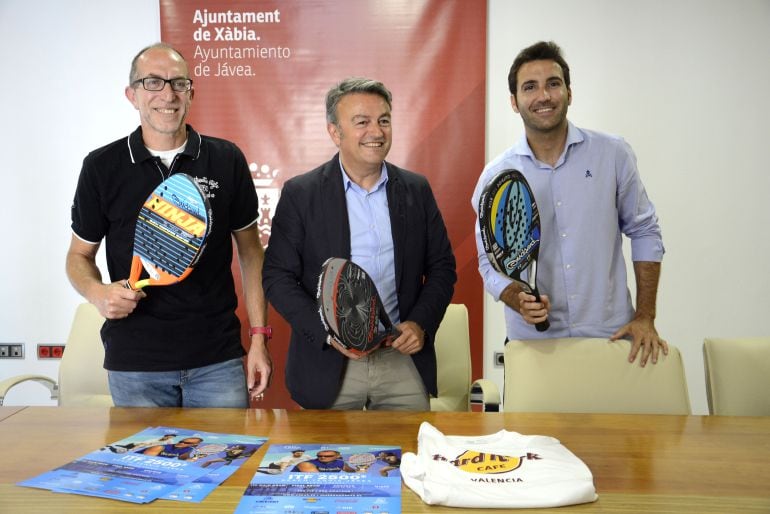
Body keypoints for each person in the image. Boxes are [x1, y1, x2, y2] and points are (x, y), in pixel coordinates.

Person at [65, 43, 272, 407]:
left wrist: (258, 337)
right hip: (136, 364)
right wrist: (98, 293)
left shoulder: (226, 159)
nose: (168, 94)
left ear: (191, 93)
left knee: (226, 464)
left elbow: (252, 253)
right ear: (132, 95)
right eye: (153, 83)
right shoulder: (102, 166)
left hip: (216, 359)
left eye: (178, 83)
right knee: (144, 467)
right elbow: (79, 255)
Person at [263, 77, 457, 410]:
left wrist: (420, 323)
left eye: (384, 120)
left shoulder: (415, 190)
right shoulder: (302, 194)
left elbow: (442, 267)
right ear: (335, 132)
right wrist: (327, 334)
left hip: (401, 359)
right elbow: (277, 277)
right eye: (362, 122)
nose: (377, 132)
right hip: (329, 365)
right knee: (326, 461)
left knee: (409, 459)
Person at [471, 41, 667, 367]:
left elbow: (645, 231)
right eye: (530, 87)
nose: (543, 96)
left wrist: (646, 316)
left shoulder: (612, 154)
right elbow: (488, 262)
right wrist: (515, 298)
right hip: (534, 345)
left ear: (569, 93)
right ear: (514, 102)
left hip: (611, 336)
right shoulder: (496, 176)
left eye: (553, 83)